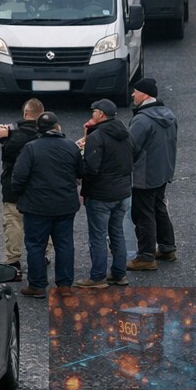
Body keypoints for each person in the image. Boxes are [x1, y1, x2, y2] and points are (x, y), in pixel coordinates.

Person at [11, 111, 82, 297]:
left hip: (37, 207)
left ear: (39, 130)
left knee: (35, 245)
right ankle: (65, 285)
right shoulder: (70, 147)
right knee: (65, 244)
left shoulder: (31, 148)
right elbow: (82, 172)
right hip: (65, 206)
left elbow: (18, 178)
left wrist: (20, 195)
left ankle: (37, 285)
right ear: (57, 127)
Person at [77, 98, 135, 288]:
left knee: (98, 236)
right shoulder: (125, 133)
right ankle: (119, 274)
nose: (91, 114)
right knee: (117, 232)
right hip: (123, 193)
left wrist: (79, 164)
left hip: (101, 195)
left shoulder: (98, 137)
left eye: (93, 112)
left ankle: (97, 277)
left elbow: (91, 168)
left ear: (101, 114)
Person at [127, 79, 178, 271]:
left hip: (144, 174)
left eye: (135, 91)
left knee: (142, 214)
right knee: (158, 207)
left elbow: (130, 147)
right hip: (163, 171)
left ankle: (146, 256)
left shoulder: (142, 120)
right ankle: (167, 247)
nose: (132, 95)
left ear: (145, 95)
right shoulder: (169, 115)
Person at [0, 98, 45, 275]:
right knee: (41, 223)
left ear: (25, 113)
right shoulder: (46, 134)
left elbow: (7, 155)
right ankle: (44, 255)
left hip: (13, 188)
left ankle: (13, 260)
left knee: (13, 223)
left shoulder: (15, 136)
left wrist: (3, 140)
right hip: (40, 189)